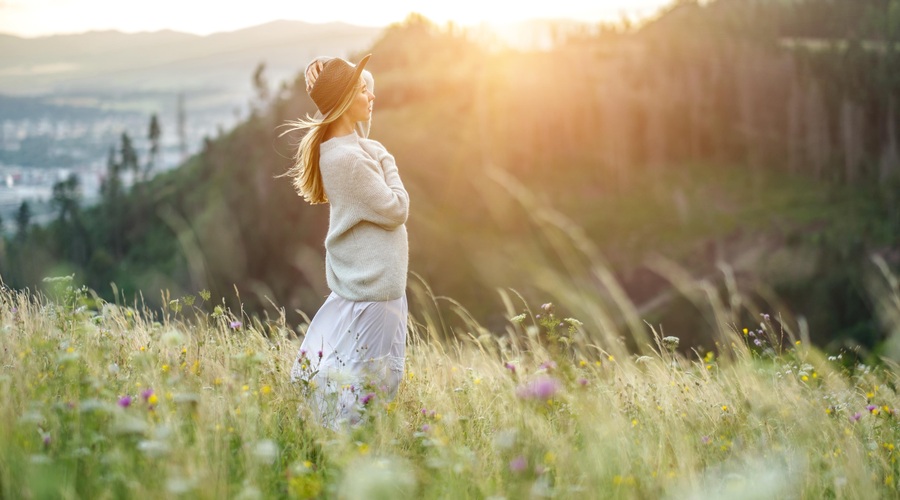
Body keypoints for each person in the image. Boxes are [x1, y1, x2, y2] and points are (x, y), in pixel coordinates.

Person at [280, 54, 409, 429]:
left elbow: (357, 121)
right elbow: (397, 208)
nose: (372, 95)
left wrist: (329, 70)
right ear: (344, 100)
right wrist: (389, 161)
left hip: (366, 285)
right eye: (363, 90)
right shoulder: (354, 159)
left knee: (353, 377)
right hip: (375, 292)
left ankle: (341, 449)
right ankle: (353, 459)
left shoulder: (345, 147)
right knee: (371, 387)